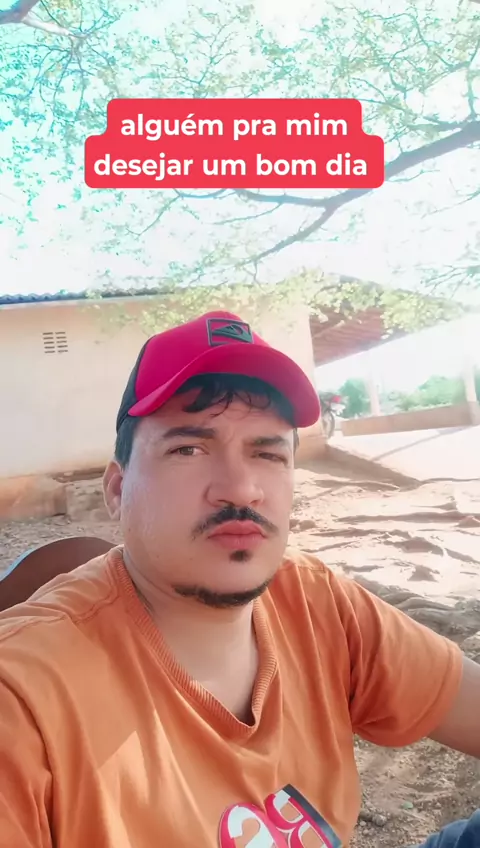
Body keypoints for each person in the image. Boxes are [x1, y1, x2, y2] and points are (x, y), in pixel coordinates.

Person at [0, 310, 478, 848]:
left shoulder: (315, 601)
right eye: (188, 449)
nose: (241, 488)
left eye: (267, 452)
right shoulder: (23, 700)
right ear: (117, 490)